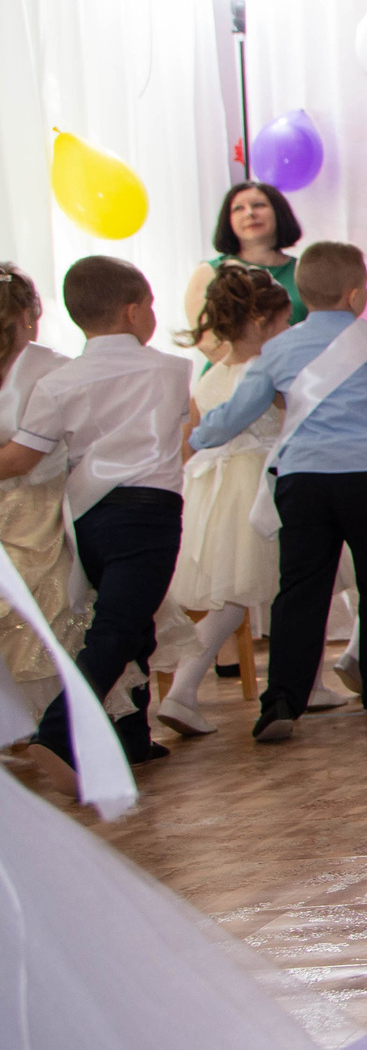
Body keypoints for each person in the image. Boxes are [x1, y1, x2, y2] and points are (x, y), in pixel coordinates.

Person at [191, 240, 367, 742]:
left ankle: (283, 697)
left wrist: (194, 437)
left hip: (302, 482)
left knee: (300, 590)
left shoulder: (278, 348)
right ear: (355, 295)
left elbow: (234, 415)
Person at [0, 258, 194, 771]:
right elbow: (185, 434)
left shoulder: (60, 380)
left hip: (83, 516)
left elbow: (22, 455)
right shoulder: (171, 369)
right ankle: (57, 733)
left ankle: (130, 734)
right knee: (114, 627)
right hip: (143, 512)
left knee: (127, 625)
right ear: (134, 312)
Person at [157, 265, 297, 736]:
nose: (288, 332)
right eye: (282, 323)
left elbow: (189, 440)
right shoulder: (271, 372)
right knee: (285, 589)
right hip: (258, 485)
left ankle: (186, 690)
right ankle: (183, 688)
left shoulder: (209, 376)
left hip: (213, 490)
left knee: (236, 597)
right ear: (261, 323)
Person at [0, 265, 80, 687]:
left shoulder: (50, 370)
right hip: (39, 501)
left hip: (29, 503)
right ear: (30, 314)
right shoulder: (55, 369)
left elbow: (21, 459)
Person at [182, 182, 307, 359]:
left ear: (279, 212)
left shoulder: (304, 270)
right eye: (238, 208)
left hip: (296, 379)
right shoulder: (209, 272)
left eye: (259, 205)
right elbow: (207, 341)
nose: (250, 213)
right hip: (231, 379)